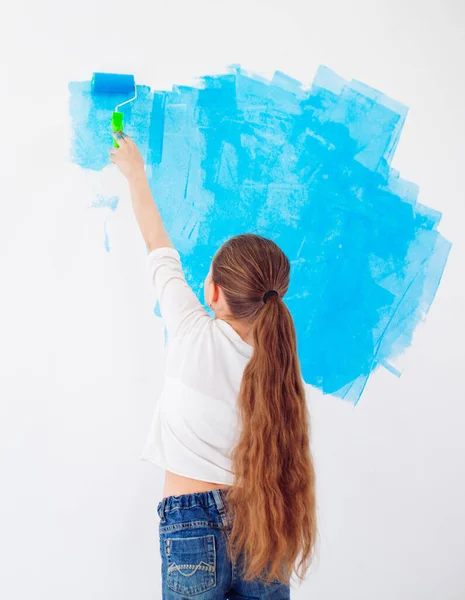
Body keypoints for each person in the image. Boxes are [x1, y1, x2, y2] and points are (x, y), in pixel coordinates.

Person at [110, 131, 317, 599]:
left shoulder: (189, 329)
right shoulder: (280, 368)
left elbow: (157, 245)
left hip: (189, 525)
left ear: (214, 293)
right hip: (265, 517)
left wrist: (135, 172)